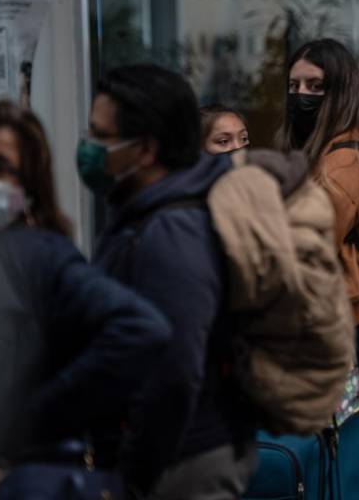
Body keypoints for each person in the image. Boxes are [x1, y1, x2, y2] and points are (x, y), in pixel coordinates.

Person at [82, 65, 256, 498]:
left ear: (145, 148)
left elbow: (175, 372)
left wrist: (135, 471)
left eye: (101, 136)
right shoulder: (143, 213)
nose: (89, 149)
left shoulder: (172, 230)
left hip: (182, 463)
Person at [0, 101, 171, 492]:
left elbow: (141, 330)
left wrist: (31, 419)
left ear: (29, 183)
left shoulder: (37, 256)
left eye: (0, 166)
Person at [279, 39, 359, 471]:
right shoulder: (347, 149)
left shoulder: (343, 163)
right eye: (294, 85)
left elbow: (305, 250)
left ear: (340, 92)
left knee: (356, 467)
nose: (301, 96)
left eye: (315, 86)